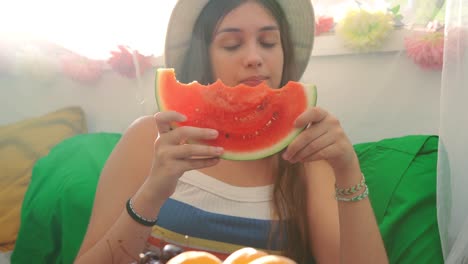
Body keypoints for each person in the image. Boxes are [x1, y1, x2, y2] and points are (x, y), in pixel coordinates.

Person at [75, 0, 388, 263]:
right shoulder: (150, 139)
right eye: (231, 44)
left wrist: (348, 171)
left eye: (268, 42)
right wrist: (153, 192)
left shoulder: (307, 154)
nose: (254, 58)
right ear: (205, 56)